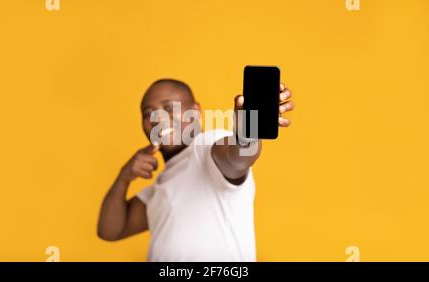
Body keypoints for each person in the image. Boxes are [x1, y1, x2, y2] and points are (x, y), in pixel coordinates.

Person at [97, 78, 294, 261]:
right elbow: (110, 230)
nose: (157, 118)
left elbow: (237, 159)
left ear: (196, 112)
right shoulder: (159, 188)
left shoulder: (206, 146)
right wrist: (124, 177)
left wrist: (247, 133)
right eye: (148, 113)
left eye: (169, 107)